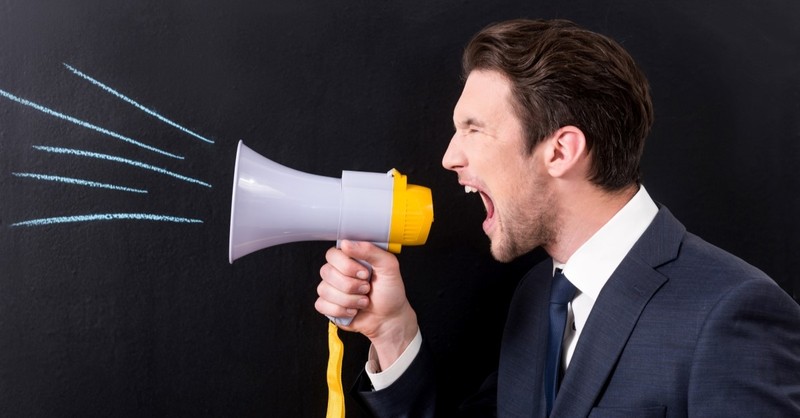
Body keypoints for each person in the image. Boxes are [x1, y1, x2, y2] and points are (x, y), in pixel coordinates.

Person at [315, 18, 800, 417]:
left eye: (473, 130)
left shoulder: (732, 313)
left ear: (561, 150)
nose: (448, 158)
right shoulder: (538, 296)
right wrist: (392, 329)